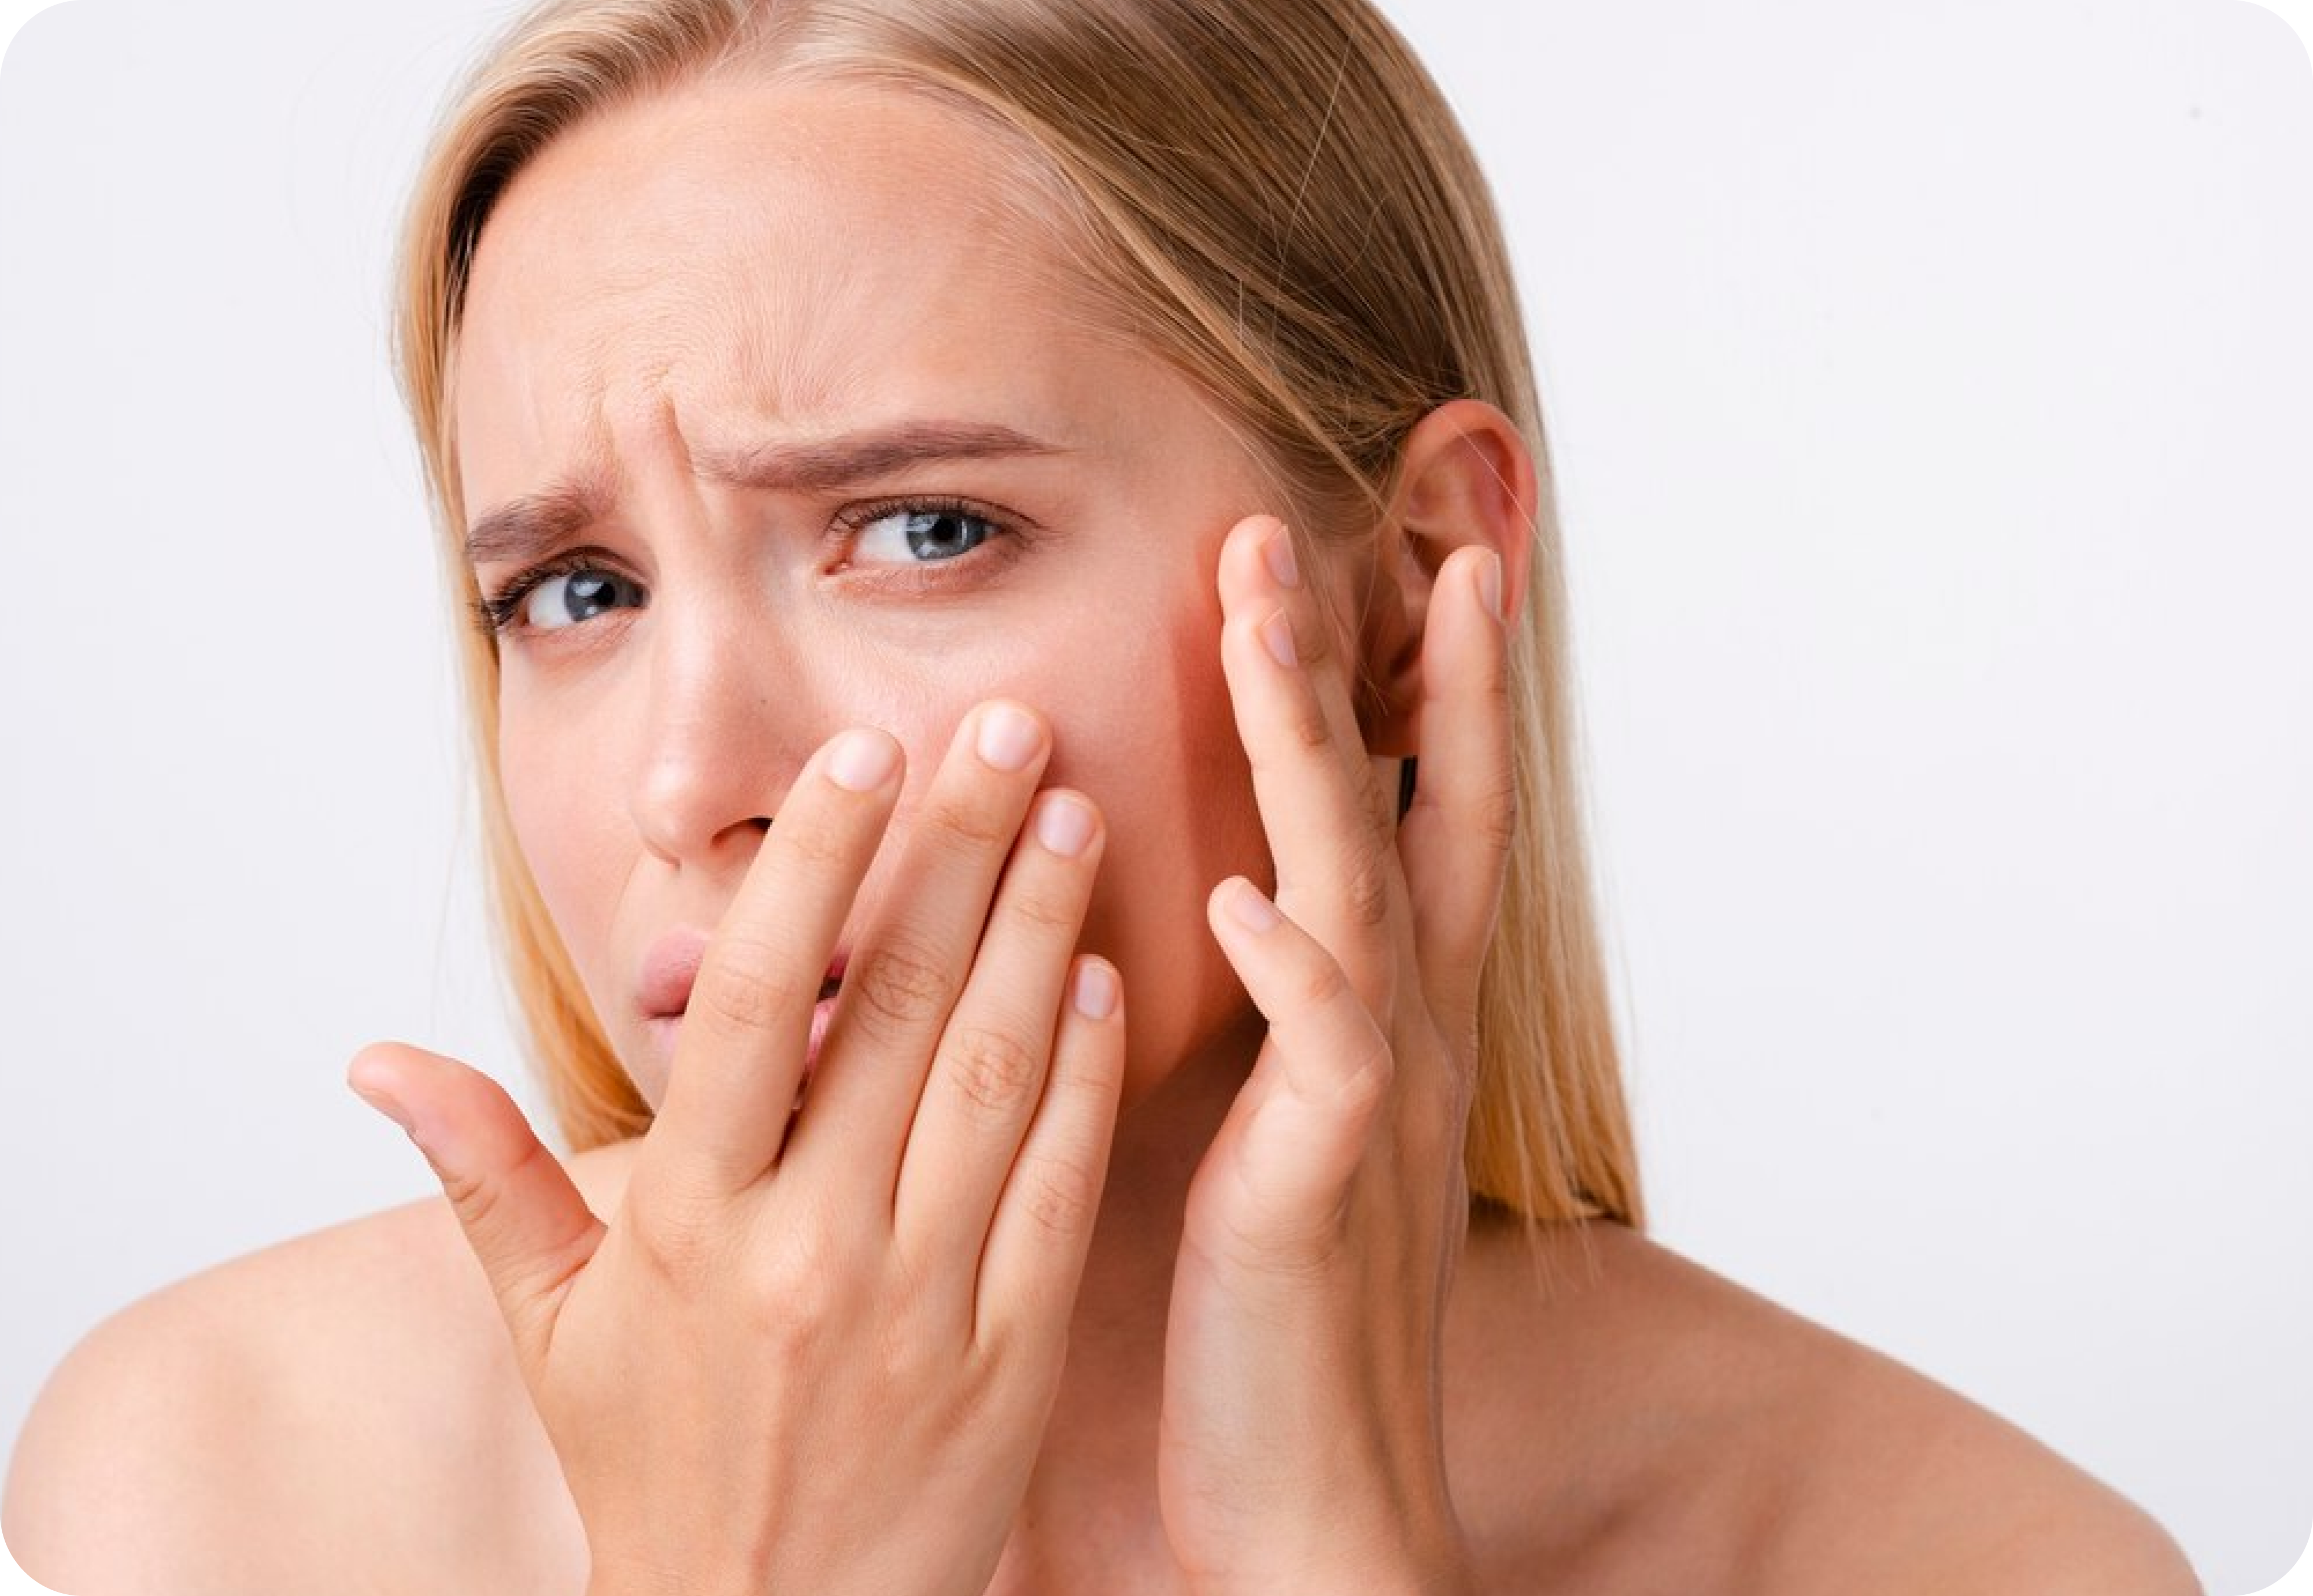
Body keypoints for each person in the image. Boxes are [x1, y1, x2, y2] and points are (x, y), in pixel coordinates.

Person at [2, 1, 2207, 1590]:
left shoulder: (1979, 1564)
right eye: (574, 590)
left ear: (1402, 594)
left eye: (926, 529)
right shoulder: (206, 1490)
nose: (691, 782)